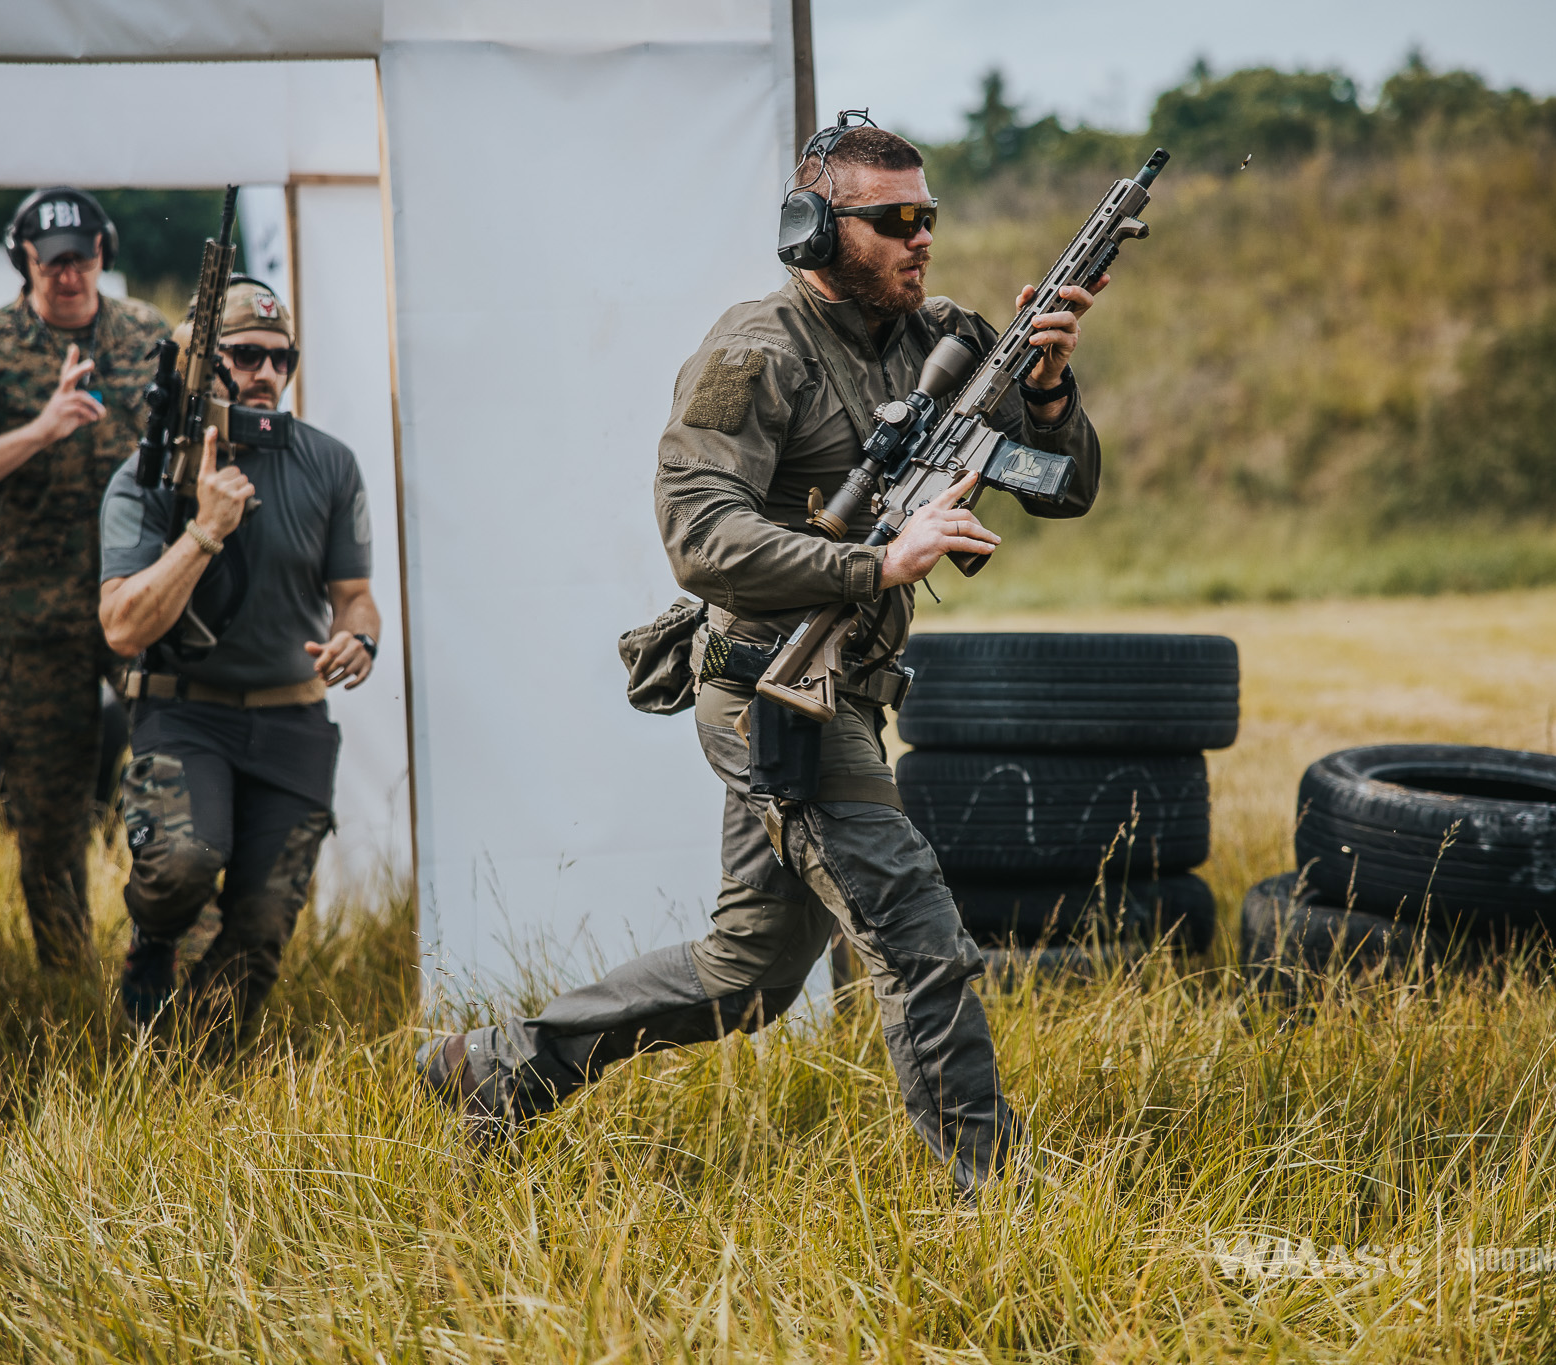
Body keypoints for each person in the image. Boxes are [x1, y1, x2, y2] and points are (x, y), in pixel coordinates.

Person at [417, 118, 1105, 1192]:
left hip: (842, 689)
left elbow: (1063, 488)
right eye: (892, 221)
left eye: (927, 217)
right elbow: (698, 535)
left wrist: (1052, 386)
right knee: (917, 944)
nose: (920, 239)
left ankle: (501, 1067)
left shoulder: (950, 342)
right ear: (815, 230)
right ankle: (999, 1202)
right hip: (769, 695)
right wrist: (876, 568)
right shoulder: (755, 352)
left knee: (745, 975)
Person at [98, 279, 380, 1051]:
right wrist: (204, 531)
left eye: (280, 359)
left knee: (260, 928)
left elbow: (355, 596)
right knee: (183, 863)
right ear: (201, 361)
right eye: (245, 355)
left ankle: (191, 1069)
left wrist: (361, 638)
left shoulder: (330, 464)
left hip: (292, 719)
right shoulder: (151, 474)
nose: (266, 374)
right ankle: (153, 940)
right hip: (185, 713)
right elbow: (122, 626)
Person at [0, 188, 171, 970]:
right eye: (53, 262)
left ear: (103, 253)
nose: (70, 276)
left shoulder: (149, 336)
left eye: (83, 258)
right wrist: (41, 428)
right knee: (46, 813)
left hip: (141, 603)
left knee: (174, 785)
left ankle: (163, 966)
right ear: (24, 263)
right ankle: (67, 978)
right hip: (40, 614)